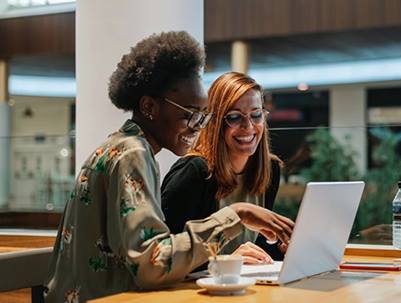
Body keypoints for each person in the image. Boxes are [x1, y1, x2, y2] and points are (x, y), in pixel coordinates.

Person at [44, 32, 293, 303]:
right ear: (149, 106)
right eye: (189, 114)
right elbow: (153, 264)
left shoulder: (119, 146)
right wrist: (235, 215)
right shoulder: (133, 153)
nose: (197, 127)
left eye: (202, 116)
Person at [162, 72, 286, 265]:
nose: (248, 126)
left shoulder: (270, 169)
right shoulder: (193, 172)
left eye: (256, 115)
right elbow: (165, 255)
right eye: (235, 117)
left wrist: (280, 248)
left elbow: (256, 244)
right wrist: (225, 261)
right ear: (215, 122)